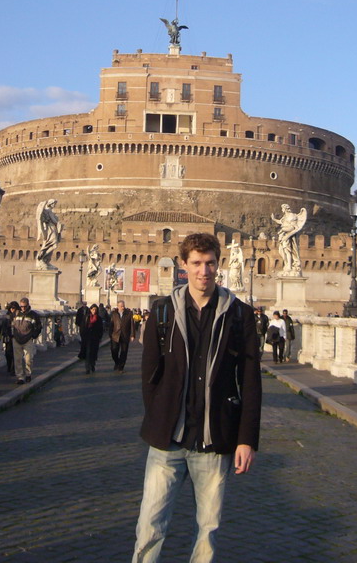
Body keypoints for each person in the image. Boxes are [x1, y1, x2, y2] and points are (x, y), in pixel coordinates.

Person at [132, 232, 261, 563]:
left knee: (209, 530)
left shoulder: (239, 315)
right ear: (183, 265)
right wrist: (161, 416)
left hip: (214, 440)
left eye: (210, 264)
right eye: (197, 264)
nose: (204, 271)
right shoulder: (162, 313)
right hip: (168, 441)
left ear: (219, 265)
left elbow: (250, 381)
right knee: (149, 525)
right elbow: (150, 377)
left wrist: (246, 439)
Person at [12, 297, 42, 384]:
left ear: (28, 305)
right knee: (17, 359)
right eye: (21, 306)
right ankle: (20, 377)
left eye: (24, 306)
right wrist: (12, 335)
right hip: (17, 338)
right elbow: (10, 324)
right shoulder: (16, 314)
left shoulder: (33, 315)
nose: (23, 308)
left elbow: (39, 326)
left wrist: (34, 335)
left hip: (28, 338)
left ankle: (28, 373)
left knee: (28, 359)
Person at [111, 299, 135, 373]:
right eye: (121, 306)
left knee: (124, 352)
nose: (123, 307)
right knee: (114, 351)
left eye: (123, 306)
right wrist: (110, 334)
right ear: (118, 306)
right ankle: (117, 362)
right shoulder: (114, 314)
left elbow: (132, 325)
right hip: (115, 335)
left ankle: (121, 367)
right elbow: (111, 325)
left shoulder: (129, 313)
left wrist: (132, 335)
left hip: (125, 335)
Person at [83, 303, 105, 374]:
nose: (94, 311)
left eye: (95, 310)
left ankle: (92, 364)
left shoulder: (99, 319)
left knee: (94, 352)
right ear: (90, 310)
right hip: (87, 337)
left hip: (95, 338)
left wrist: (100, 337)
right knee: (88, 352)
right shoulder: (86, 317)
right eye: (93, 309)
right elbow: (82, 327)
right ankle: (87, 367)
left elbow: (101, 329)